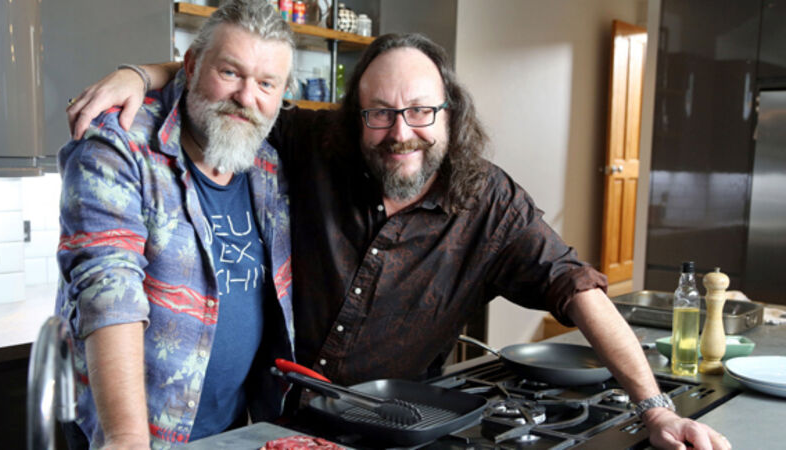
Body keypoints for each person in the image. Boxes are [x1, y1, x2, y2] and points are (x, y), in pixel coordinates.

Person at [67, 33, 731, 450]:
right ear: (357, 116)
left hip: (397, 432)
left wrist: (654, 410)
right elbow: (236, 90)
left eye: (420, 111)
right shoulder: (315, 146)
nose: (401, 131)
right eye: (380, 113)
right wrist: (141, 76)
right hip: (274, 427)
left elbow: (577, 289)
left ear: (449, 113)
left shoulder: (489, 202)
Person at [55, 1, 296, 448]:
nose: (247, 98)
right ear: (190, 66)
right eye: (229, 72)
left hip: (235, 431)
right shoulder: (118, 142)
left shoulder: (268, 162)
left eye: (266, 83)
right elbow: (108, 290)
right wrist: (126, 437)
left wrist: (143, 72)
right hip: (131, 436)